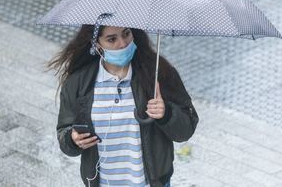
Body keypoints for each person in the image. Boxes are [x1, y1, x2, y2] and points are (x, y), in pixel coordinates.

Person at [47, 25, 199, 187]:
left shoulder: (157, 73)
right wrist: (72, 139)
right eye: (112, 39)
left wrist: (166, 114)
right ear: (96, 44)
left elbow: (185, 130)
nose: (122, 43)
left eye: (126, 34)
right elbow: (64, 138)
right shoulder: (78, 83)